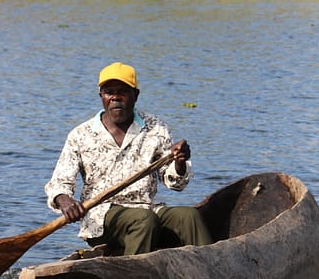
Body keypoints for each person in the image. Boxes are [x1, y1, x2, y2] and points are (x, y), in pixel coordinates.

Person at [45, 62, 211, 255]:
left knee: (189, 216)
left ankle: (214, 273)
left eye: (122, 91)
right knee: (142, 220)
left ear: (135, 95)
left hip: (147, 208)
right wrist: (66, 201)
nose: (115, 97)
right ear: (101, 97)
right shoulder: (81, 135)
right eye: (109, 92)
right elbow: (58, 184)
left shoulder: (155, 128)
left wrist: (179, 163)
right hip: (101, 217)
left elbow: (175, 183)